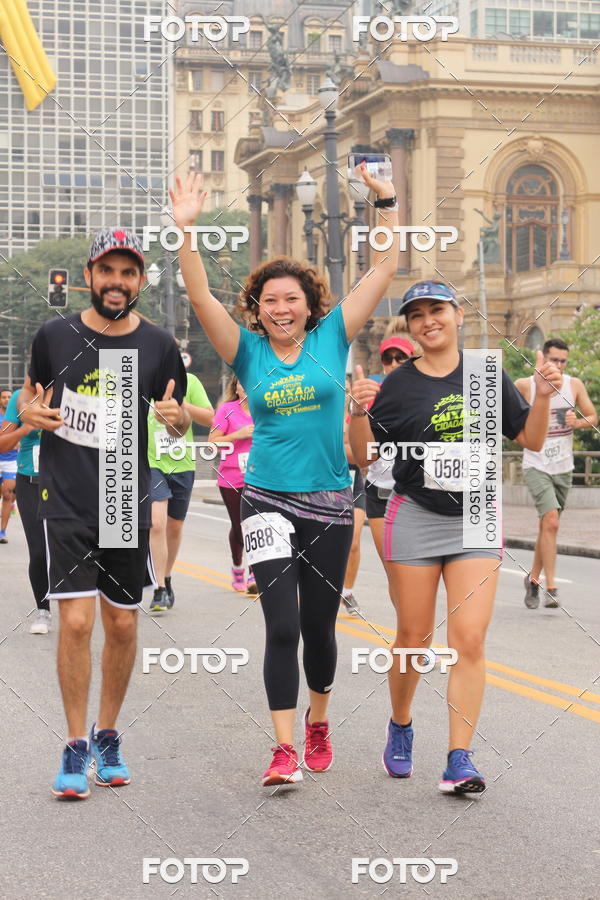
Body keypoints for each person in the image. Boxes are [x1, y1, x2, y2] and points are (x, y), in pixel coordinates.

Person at [173, 169, 400, 787]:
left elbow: (381, 272)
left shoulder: (332, 337)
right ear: (258, 308)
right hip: (266, 501)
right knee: (282, 625)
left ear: (308, 306)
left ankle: (318, 719)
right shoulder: (246, 351)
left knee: (322, 628)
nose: (280, 309)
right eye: (269, 300)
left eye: (290, 299)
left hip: (328, 505)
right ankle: (282, 748)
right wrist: (186, 232)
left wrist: (385, 203)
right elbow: (200, 301)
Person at [349, 280, 561, 794]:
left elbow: (530, 439)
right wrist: (357, 413)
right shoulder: (398, 385)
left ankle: (458, 758)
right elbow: (363, 457)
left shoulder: (489, 374)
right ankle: (400, 723)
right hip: (416, 514)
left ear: (458, 314)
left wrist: (544, 395)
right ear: (410, 325)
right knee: (415, 639)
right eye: (417, 314)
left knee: (468, 639)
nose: (429, 320)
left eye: (437, 310)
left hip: (477, 517)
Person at [19, 228, 188, 800]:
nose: (117, 282)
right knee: (75, 622)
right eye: (107, 270)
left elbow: (178, 411)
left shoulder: (159, 344)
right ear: (89, 276)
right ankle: (73, 744)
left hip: (124, 496)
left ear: (140, 281)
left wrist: (178, 419)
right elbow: (27, 396)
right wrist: (27, 410)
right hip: (65, 496)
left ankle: (108, 734)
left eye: (128, 272)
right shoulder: (53, 335)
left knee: (120, 623)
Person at [515, 338, 597, 609]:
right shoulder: (525, 386)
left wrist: (579, 422)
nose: (559, 365)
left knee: (547, 527)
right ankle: (551, 587)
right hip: (536, 464)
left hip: (563, 467)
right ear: (543, 359)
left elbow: (592, 416)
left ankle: (533, 580)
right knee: (550, 521)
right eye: (554, 360)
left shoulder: (573, 385)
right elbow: (509, 420)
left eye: (563, 361)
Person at [148, 362, 214, 614]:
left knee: (174, 527)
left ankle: (167, 575)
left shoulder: (191, 382)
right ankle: (159, 588)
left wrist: (181, 405)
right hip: (151, 462)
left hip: (182, 463)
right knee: (157, 523)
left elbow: (210, 417)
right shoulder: (143, 382)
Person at [0, 389, 49, 632]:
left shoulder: (68, 391)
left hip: (68, 483)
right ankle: (43, 611)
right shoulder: (21, 398)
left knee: (69, 551)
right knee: (39, 551)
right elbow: (2, 443)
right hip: (30, 482)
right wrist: (25, 428)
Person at [364, 337, 414, 570]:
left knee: (411, 568)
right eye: (388, 358)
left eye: (400, 357)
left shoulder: (423, 394)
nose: (393, 363)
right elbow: (356, 449)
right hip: (379, 490)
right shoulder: (371, 397)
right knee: (392, 568)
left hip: (413, 492)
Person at [210, 375, 258, 593]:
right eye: (242, 382)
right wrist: (237, 435)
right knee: (239, 526)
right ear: (236, 387)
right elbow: (212, 443)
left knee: (256, 525)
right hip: (231, 477)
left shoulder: (264, 409)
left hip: (259, 477)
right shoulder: (227, 410)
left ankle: (254, 574)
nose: (246, 386)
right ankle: (237, 568)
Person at [340, 376, 365, 617]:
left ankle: (347, 591)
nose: (342, 392)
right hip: (324, 486)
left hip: (354, 482)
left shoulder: (357, 417)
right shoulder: (317, 413)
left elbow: (358, 456)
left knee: (354, 542)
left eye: (346, 388)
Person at [0, 388, 18, 543]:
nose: (6, 399)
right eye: (4, 397)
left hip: (11, 461)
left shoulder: (18, 416)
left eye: (9, 397)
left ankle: (2, 532)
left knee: (7, 494)